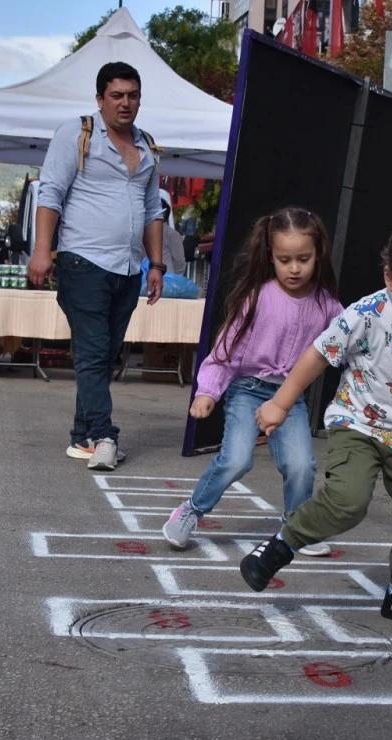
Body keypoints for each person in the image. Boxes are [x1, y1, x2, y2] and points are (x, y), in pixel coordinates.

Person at [239, 211, 392, 633]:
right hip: (359, 424)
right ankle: (281, 545)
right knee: (347, 501)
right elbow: (317, 354)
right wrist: (280, 402)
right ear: (390, 277)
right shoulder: (366, 314)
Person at [162, 208, 344, 554]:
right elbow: (224, 351)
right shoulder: (257, 297)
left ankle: (296, 525)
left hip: (289, 397)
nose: (294, 268)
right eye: (284, 259)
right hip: (247, 389)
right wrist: (208, 392)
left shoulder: (327, 306)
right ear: (270, 257)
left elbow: (352, 338)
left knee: (301, 465)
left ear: (317, 255)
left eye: (303, 259)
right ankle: (191, 510)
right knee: (236, 459)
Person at [28, 62, 166, 471]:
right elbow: (50, 191)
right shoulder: (77, 133)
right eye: (117, 95)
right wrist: (41, 250)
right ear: (100, 98)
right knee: (91, 353)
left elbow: (152, 208)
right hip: (82, 260)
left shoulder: (146, 145)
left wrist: (156, 264)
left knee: (104, 356)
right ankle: (105, 437)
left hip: (127, 269)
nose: (126, 103)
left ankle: (81, 436)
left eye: (133, 95)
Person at [161, 199, 187, 274]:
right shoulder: (143, 232)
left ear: (163, 214)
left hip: (165, 280)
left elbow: (179, 262)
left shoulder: (171, 234)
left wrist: (173, 277)